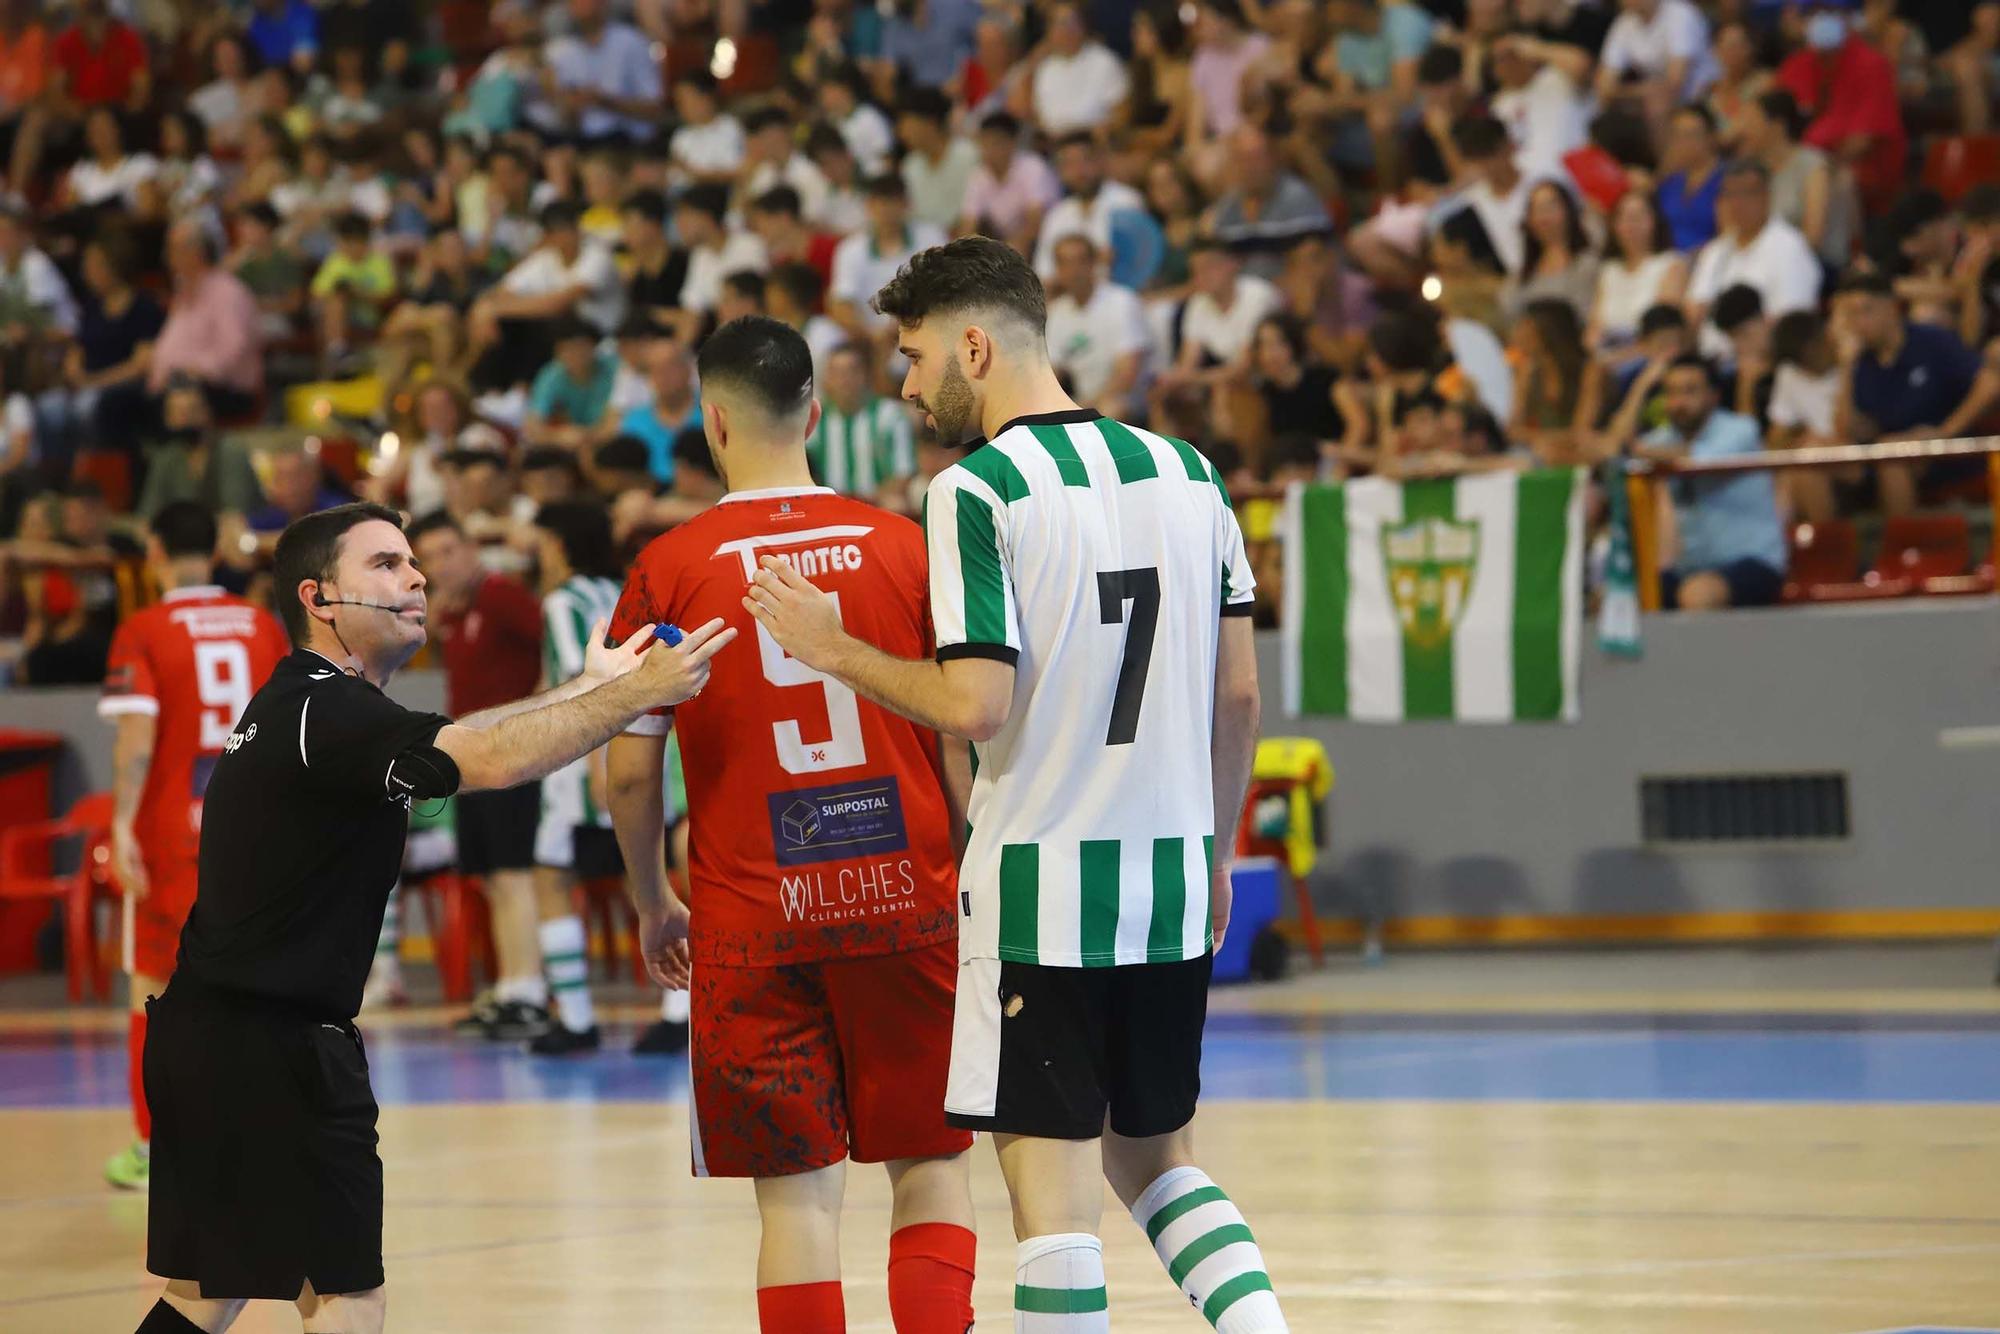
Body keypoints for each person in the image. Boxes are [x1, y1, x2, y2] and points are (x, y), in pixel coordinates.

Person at [747, 237, 1286, 1332]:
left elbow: (973, 705)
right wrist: (1218, 851)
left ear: (974, 345)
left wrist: (828, 642)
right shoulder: (1189, 472)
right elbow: (1238, 698)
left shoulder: (976, 489)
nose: (902, 383)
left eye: (910, 355)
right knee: (1157, 1160)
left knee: (1052, 1206)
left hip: (1042, 885)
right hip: (1174, 875)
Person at [137, 501, 730, 1334]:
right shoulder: (328, 711)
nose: (413, 577)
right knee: (348, 1296)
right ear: (319, 597)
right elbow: (491, 759)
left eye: (414, 561)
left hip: (219, 1034)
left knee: (210, 1294)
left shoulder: (315, 704)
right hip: (273, 1046)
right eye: (384, 564)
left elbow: (461, 736)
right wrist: (638, 695)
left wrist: (591, 686)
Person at [604, 317, 977, 1333]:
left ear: (711, 420)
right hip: (905, 898)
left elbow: (629, 772)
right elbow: (958, 735)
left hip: (749, 919)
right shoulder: (905, 545)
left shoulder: (668, 568)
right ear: (814, 410)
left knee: (796, 1196)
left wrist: (651, 901)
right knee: (932, 1166)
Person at [98, 501, 290, 1192]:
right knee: (258, 985)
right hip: (258, 828)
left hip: (177, 833)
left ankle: (155, 1147)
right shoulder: (261, 624)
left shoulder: (143, 629)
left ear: (152, 550)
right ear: (216, 551)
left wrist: (121, 825)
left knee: (155, 988)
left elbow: (136, 738)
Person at [407, 511, 554, 1040]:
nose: (442, 566)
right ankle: (512, 985)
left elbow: (553, 646)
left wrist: (537, 716)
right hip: (472, 758)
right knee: (492, 878)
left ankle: (528, 991)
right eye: (430, 558)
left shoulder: (500, 596)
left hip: (512, 756)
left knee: (513, 873)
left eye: (450, 551)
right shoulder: (456, 611)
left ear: (472, 548)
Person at [525, 500, 626, 1056]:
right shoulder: (619, 590)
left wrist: (593, 764)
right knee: (644, 877)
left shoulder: (563, 602)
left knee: (552, 876)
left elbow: (582, 682)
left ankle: (579, 1018)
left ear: (560, 547)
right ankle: (677, 1011)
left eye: (543, 544)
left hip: (585, 757)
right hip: (640, 748)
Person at [1638, 355, 1786, 611]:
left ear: (1713, 396)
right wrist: (1639, 389)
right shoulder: (1663, 439)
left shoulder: (1740, 430)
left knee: (1698, 596)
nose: (1678, 402)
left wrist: (1631, 449)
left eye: (1689, 391)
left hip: (1752, 562)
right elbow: (1615, 448)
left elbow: (1695, 460)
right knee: (1614, 599)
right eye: (1671, 392)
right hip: (1692, 568)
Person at [1044, 234, 1149, 421]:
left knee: (1110, 409)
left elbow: (1127, 374)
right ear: (1057, 270)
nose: (1073, 270)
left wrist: (1084, 407)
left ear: (1094, 264)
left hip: (1127, 398)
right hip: (1084, 401)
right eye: (1065, 263)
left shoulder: (1122, 301)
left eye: (1080, 261)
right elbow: (1051, 375)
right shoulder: (1056, 312)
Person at [808, 341, 918, 501]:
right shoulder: (815, 419)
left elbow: (903, 475)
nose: (844, 380)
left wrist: (865, 505)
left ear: (865, 375)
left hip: (878, 505)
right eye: (836, 373)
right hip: (827, 507)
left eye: (851, 371)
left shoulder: (890, 415)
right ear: (826, 378)